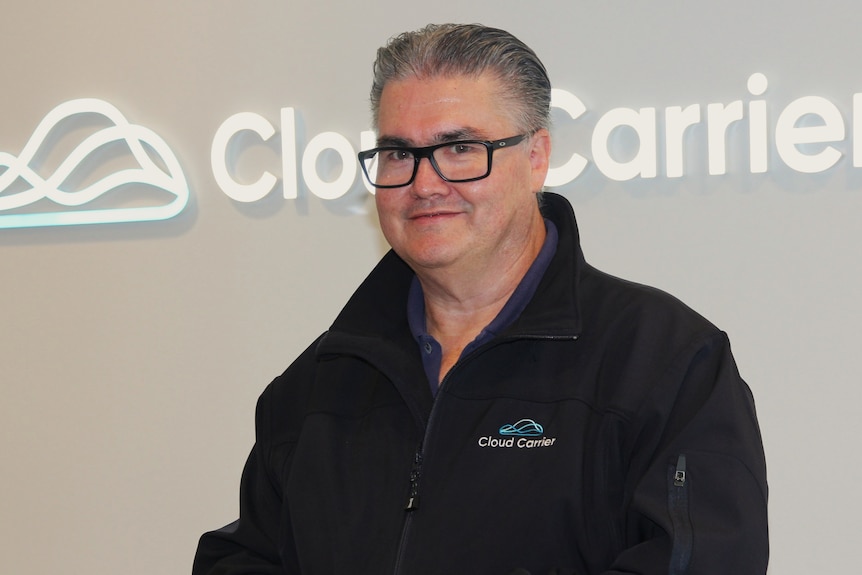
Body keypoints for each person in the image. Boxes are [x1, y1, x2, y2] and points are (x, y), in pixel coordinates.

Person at [193, 23, 768, 575]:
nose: (424, 184)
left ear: (537, 156)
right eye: (398, 154)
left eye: (460, 148)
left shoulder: (666, 363)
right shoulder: (314, 387)